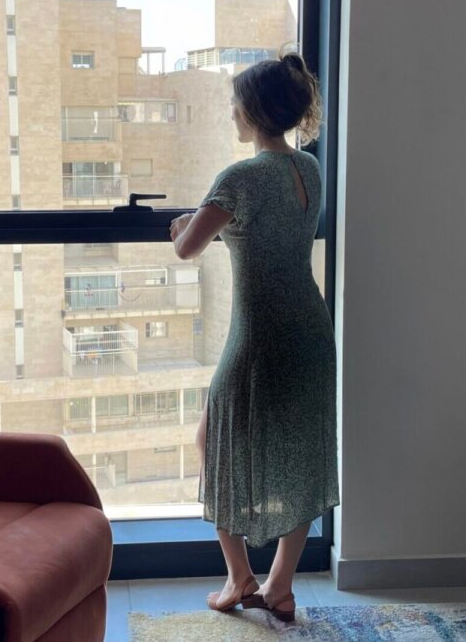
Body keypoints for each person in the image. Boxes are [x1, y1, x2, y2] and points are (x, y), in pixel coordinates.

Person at [169, 51, 339, 624]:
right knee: (302, 452)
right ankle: (280, 587)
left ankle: (240, 577)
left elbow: (187, 246)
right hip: (310, 332)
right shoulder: (309, 169)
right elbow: (265, 235)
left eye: (235, 102)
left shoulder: (239, 177)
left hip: (261, 335)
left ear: (254, 110)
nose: (230, 111)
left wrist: (184, 226)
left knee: (213, 440)